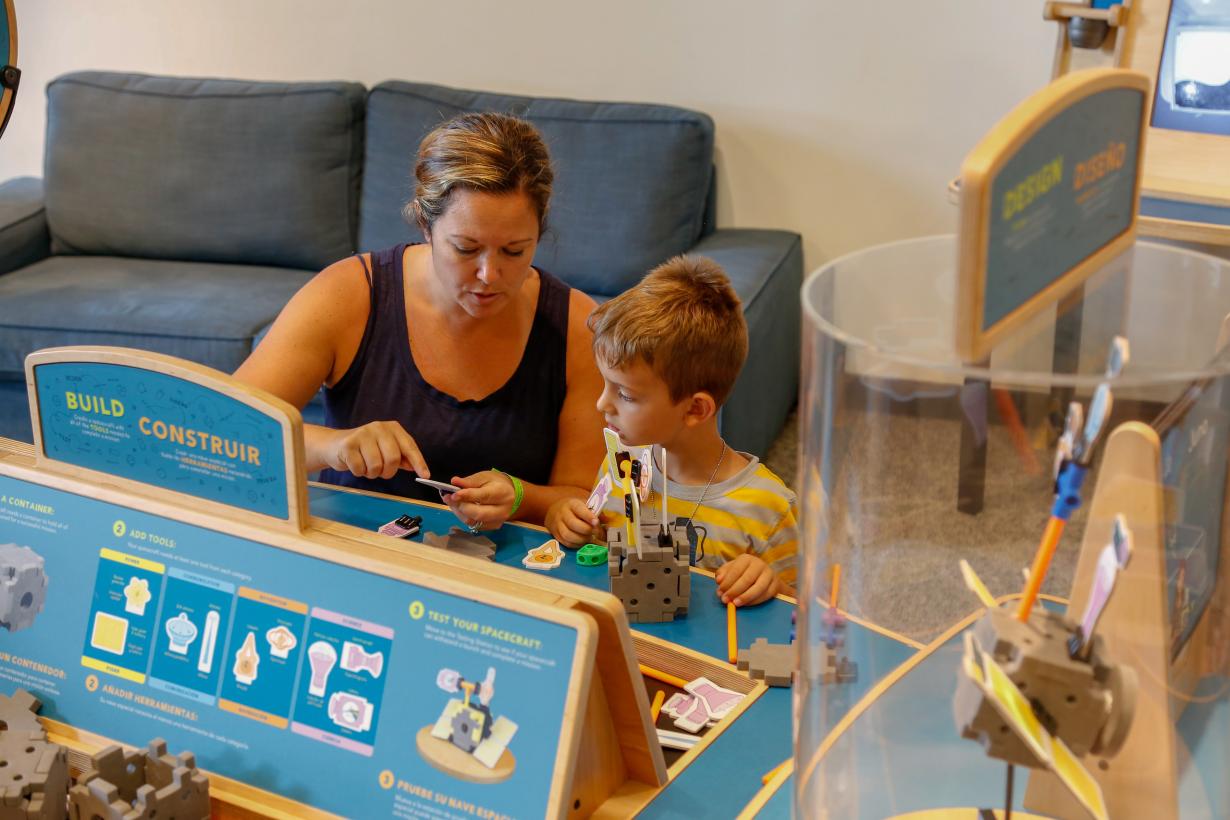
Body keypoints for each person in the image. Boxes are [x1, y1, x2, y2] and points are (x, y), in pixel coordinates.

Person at [235, 112, 605, 530]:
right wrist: (334, 446)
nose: (490, 275)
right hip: (358, 557)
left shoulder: (575, 327)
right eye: (466, 249)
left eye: (515, 251)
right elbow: (228, 432)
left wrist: (521, 497)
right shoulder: (348, 296)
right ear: (426, 226)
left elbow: (582, 499)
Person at [546, 256, 798, 606]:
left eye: (626, 394)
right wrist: (566, 519)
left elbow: (802, 622)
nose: (602, 403)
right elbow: (595, 552)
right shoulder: (620, 468)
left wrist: (769, 585)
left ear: (695, 409)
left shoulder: (768, 510)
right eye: (605, 384)